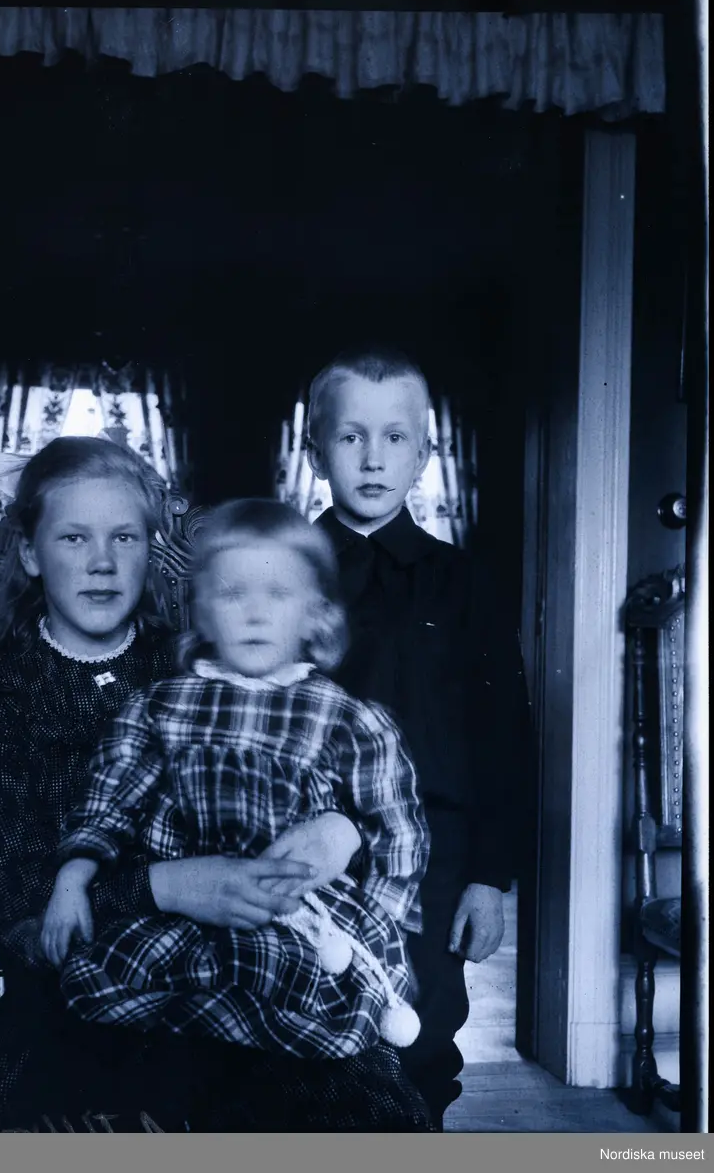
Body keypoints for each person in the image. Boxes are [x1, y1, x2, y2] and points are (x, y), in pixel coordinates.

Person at [0, 436, 434, 1133]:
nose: (102, 561)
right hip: (79, 995)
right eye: (74, 537)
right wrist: (172, 886)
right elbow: (25, 907)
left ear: (150, 549)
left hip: (246, 965)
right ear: (30, 553)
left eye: (124, 537)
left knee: (357, 1102)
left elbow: (300, 777)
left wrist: (339, 831)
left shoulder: (193, 666)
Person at [42, 499, 429, 1062]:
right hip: (187, 915)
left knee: (300, 1025)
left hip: (299, 924)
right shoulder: (161, 707)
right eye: (232, 594)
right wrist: (73, 876)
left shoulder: (346, 719)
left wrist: (378, 924)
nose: (254, 614)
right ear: (201, 611)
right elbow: (110, 800)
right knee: (117, 1004)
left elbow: (397, 830)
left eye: (277, 595)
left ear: (315, 614)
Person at [306, 346, 531, 1129]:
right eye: (351, 437)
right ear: (314, 449)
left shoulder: (461, 581)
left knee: (420, 1043)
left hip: (434, 859)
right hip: (301, 852)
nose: (373, 459)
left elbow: (502, 735)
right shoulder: (281, 574)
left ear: (426, 454)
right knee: (300, 1043)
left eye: (395, 438)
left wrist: (489, 879)